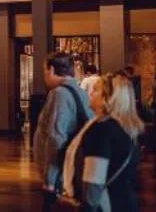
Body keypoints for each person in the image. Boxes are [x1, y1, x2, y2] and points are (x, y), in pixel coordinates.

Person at [62, 74, 144, 211]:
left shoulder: (101, 129)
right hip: (125, 203)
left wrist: (87, 207)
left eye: (95, 90)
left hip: (105, 205)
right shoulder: (127, 129)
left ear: (108, 98)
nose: (90, 93)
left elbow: (94, 180)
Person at [34, 52, 93, 211]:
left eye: (45, 70)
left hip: (61, 176)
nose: (44, 76)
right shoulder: (79, 92)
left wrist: (50, 180)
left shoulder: (59, 94)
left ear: (52, 70)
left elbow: (56, 137)